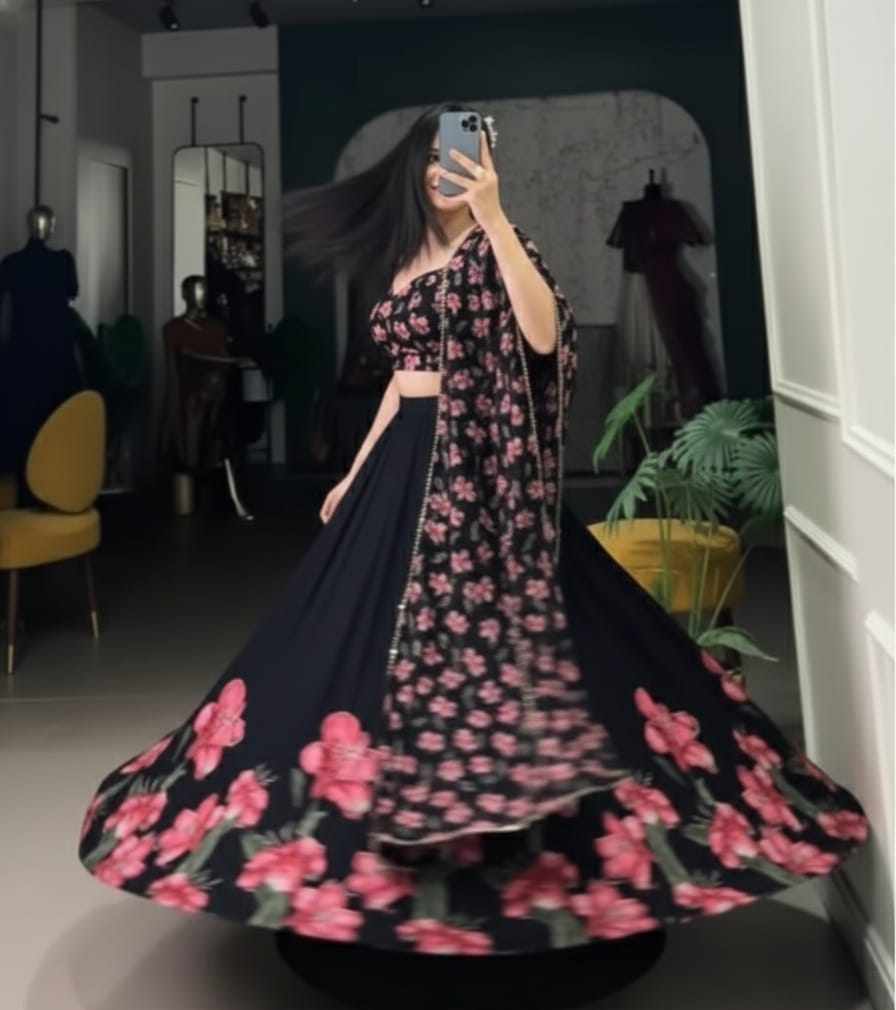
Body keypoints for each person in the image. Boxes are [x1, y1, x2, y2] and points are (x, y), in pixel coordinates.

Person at [78, 103, 868, 960]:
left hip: (476, 472)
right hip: (402, 463)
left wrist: (493, 217)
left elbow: (543, 335)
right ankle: (333, 826)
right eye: (433, 162)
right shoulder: (410, 253)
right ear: (415, 172)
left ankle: (546, 842)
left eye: (462, 160)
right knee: (342, 638)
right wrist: (355, 469)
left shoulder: (499, 245)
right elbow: (402, 380)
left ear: (485, 168)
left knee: (533, 636)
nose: (445, 173)